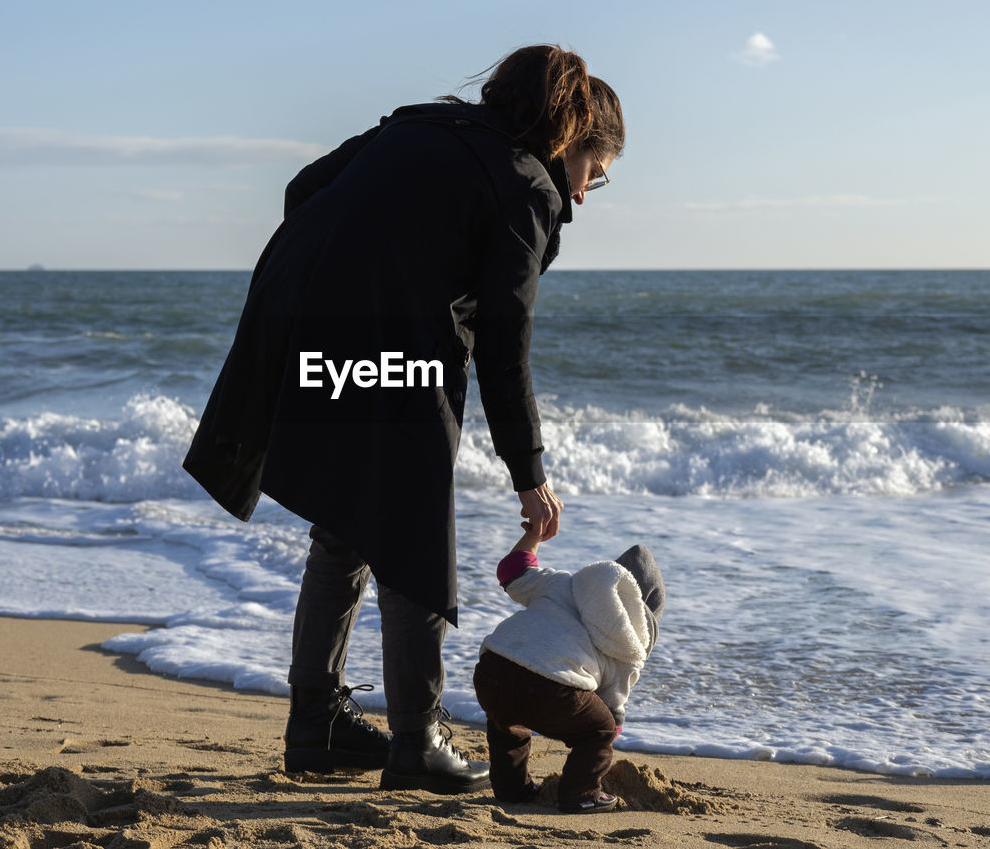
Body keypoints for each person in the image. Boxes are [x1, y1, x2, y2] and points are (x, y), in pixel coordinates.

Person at [182, 45, 625, 794]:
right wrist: (530, 476)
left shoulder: (418, 128)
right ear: (570, 138)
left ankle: (315, 724)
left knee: (349, 525)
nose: (584, 194)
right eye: (595, 171)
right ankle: (416, 740)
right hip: (391, 341)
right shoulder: (525, 186)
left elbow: (304, 188)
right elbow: (505, 347)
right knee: (412, 531)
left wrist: (368, 269)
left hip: (297, 319)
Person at [474, 533, 664, 813]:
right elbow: (612, 711)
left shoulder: (564, 582)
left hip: (493, 669)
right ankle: (581, 792)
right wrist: (595, 744)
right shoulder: (631, 644)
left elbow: (511, 570)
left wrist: (534, 534)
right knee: (601, 728)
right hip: (550, 690)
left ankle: (511, 788)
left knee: (507, 723)